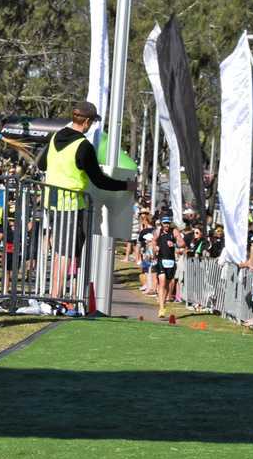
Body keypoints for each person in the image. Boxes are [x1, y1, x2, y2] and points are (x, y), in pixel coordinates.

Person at [35, 101, 132, 298]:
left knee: (59, 253)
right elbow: (99, 180)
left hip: (51, 201)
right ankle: (55, 297)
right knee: (65, 254)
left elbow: (42, 164)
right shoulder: (83, 146)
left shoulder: (54, 138)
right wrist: (126, 186)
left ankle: (57, 296)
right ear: (86, 121)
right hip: (71, 204)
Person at [152, 214, 183, 317]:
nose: (166, 225)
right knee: (162, 282)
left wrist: (175, 244)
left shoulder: (174, 232)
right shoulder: (158, 231)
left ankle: (163, 303)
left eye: (168, 223)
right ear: (161, 223)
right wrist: (155, 248)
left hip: (171, 261)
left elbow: (182, 243)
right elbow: (153, 241)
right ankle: (161, 308)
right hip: (161, 260)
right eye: (165, 223)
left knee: (167, 285)